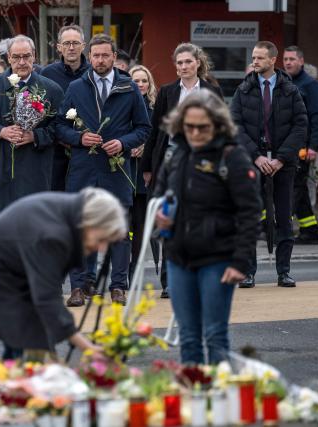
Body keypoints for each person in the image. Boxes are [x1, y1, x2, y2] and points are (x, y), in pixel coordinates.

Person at [154, 89, 261, 364]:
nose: (196, 133)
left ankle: (220, 401)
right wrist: (160, 216)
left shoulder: (232, 157)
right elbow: (159, 194)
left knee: (215, 336)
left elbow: (250, 213)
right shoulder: (175, 154)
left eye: (203, 127)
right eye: (189, 126)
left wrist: (241, 263)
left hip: (218, 259)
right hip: (179, 258)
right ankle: (196, 401)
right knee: (188, 337)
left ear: (217, 125)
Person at [0, 187, 124, 359]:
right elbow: (47, 297)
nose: (102, 248)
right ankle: (17, 376)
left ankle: (27, 373)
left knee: (37, 338)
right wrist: (88, 348)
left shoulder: (72, 215)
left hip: (13, 265)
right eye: (101, 239)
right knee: (25, 337)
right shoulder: (53, 235)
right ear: (92, 222)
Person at [56, 33, 152, 307]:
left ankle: (118, 287)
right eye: (95, 55)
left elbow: (144, 128)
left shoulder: (129, 87)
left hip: (116, 170)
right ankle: (79, 287)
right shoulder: (76, 87)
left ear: (114, 58)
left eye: (104, 55)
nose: (99, 60)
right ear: (91, 56)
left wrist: (123, 142)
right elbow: (60, 126)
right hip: (83, 169)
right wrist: (79, 138)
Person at [141, 42, 223, 298]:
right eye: (179, 63)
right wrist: (147, 168)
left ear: (198, 62)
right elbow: (155, 131)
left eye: (188, 61)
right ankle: (169, 282)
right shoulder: (166, 92)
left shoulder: (211, 91)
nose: (184, 66)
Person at [230, 41, 307, 288]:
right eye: (253, 57)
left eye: (260, 58)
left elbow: (300, 125)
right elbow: (235, 126)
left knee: (284, 217)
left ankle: (283, 272)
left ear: (272, 60)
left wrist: (281, 158)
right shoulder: (244, 89)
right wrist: (257, 156)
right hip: (253, 161)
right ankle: (248, 272)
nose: (255, 61)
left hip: (283, 163)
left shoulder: (290, 90)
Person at [0, 35, 64, 223]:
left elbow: (60, 127)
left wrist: (35, 136)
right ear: (9, 58)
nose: (22, 62)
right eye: (17, 57)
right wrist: (0, 132)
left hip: (34, 168)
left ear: (34, 57)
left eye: (27, 56)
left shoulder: (51, 89)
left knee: (33, 225)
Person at [283, 46, 318, 245]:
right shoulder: (285, 82)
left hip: (303, 148)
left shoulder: (310, 85)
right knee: (298, 190)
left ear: (301, 61)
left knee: (294, 188)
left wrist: (313, 146)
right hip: (288, 145)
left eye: (292, 59)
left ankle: (283, 230)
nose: (288, 62)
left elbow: (317, 118)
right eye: (285, 59)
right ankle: (310, 231)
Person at [41, 24, 90, 192]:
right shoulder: (47, 74)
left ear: (83, 46)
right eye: (67, 43)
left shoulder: (93, 73)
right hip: (55, 149)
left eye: (75, 43)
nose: (71, 47)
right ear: (59, 47)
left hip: (88, 149)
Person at [128, 65, 157, 279]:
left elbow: (161, 139)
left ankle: (140, 272)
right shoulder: (124, 106)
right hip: (126, 170)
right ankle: (123, 274)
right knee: (126, 227)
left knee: (144, 227)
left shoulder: (157, 108)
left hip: (147, 174)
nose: (140, 85)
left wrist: (146, 148)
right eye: (136, 81)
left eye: (144, 81)